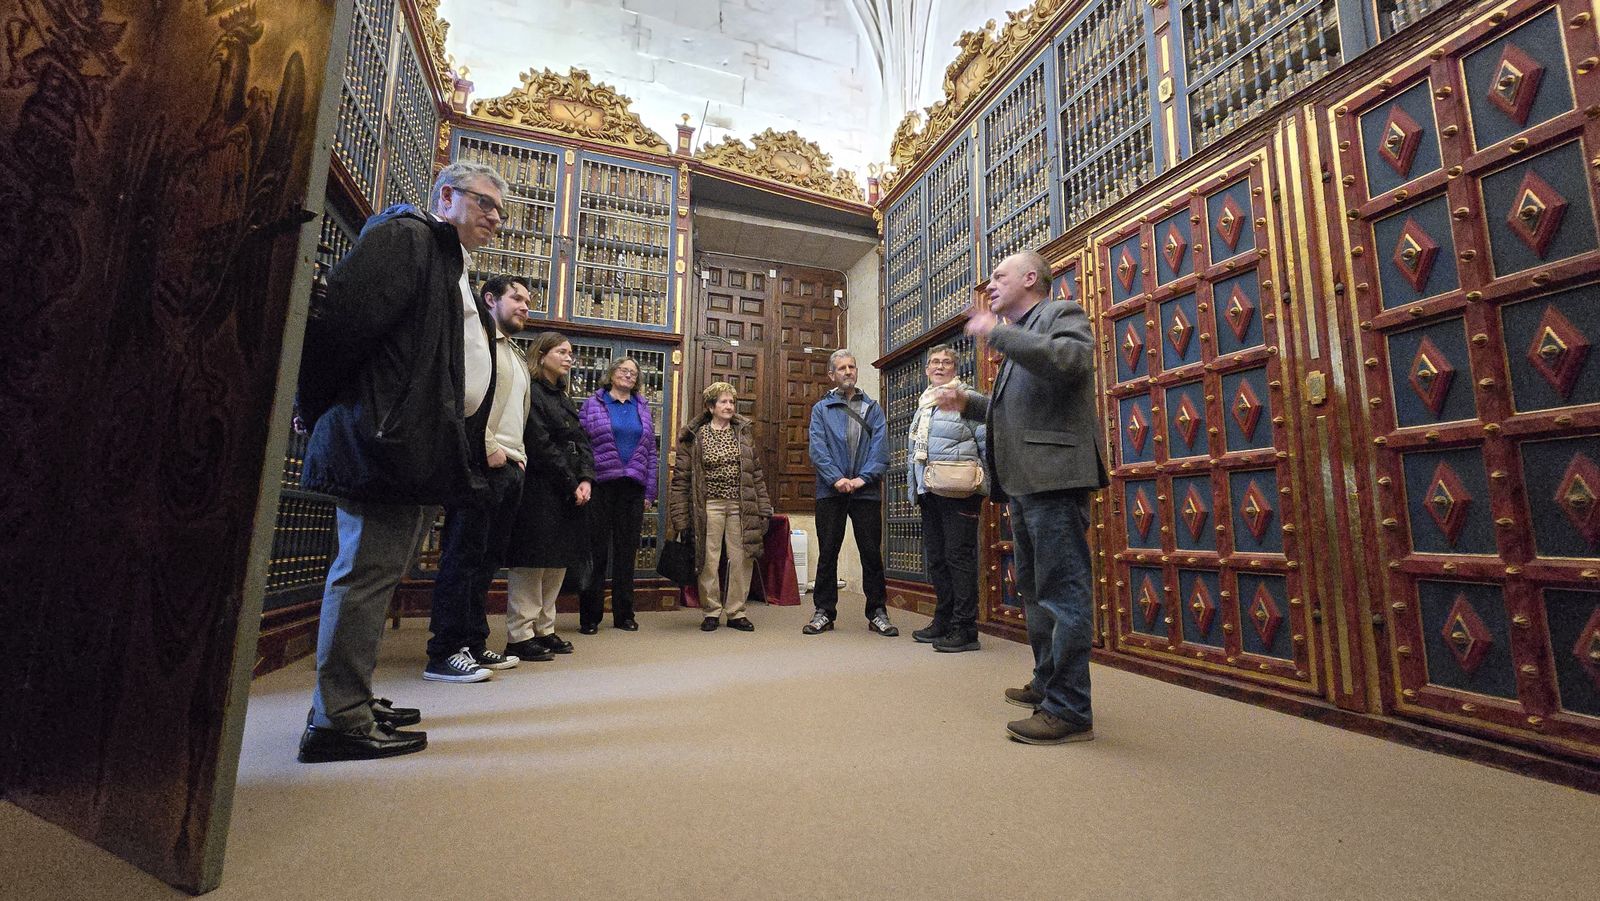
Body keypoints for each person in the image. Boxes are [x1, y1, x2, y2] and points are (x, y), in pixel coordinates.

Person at [293, 160, 508, 762]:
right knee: (363, 577)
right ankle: (338, 720)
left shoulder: (446, 259)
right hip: (382, 439)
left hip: (411, 444)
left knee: (378, 576)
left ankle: (351, 698)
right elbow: (338, 327)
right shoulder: (406, 236)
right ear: (446, 196)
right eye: (484, 203)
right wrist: (315, 409)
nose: (494, 217)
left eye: (500, 210)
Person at [938, 250, 1108, 745]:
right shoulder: (1022, 334)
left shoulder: (1058, 314)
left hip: (1055, 478)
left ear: (1031, 278)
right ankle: (1048, 684)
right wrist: (968, 401)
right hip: (1026, 483)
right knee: (1036, 592)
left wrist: (996, 331)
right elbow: (1019, 411)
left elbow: (1071, 360)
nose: (989, 285)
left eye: (999, 276)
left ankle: (1072, 710)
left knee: (1062, 593)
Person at [424, 275, 555, 682]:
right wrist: (486, 445)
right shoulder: (480, 347)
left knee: (486, 562)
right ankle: (444, 651)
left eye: (528, 300)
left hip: (511, 466)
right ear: (489, 299)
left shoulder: (514, 353)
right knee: (462, 558)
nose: (525, 305)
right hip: (483, 462)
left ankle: (473, 642)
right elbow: (465, 398)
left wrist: (519, 460)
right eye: (516, 298)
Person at [503, 332, 594, 661]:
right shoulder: (532, 391)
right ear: (542, 355)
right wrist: (571, 481)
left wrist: (586, 478)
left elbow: (581, 440)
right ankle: (519, 634)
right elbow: (540, 443)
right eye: (562, 352)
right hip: (540, 487)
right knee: (532, 561)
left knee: (556, 562)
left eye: (571, 352)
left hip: (567, 489)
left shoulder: (563, 396)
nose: (569, 358)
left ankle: (544, 627)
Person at [804, 349, 897, 637]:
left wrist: (861, 480)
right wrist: (837, 479)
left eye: (852, 367)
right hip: (831, 492)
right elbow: (818, 449)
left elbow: (880, 450)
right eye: (841, 368)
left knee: (871, 553)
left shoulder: (873, 408)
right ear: (831, 375)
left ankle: (877, 611)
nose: (848, 372)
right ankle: (824, 611)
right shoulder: (821, 409)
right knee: (828, 552)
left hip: (865, 492)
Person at [667, 382, 772, 632]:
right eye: (723, 402)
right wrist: (680, 517)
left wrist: (764, 508)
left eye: (732, 402)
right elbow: (681, 478)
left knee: (741, 558)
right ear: (710, 406)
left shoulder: (743, 433)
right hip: (708, 506)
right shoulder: (695, 436)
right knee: (708, 560)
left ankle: (736, 611)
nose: (729, 406)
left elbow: (755, 474)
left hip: (740, 505)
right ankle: (711, 610)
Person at [907, 344, 987, 653]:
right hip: (929, 490)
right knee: (938, 559)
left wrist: (984, 484)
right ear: (927, 370)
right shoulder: (924, 404)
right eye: (934, 363)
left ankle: (965, 628)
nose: (940, 367)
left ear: (955, 369)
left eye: (946, 362)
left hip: (960, 492)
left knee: (959, 558)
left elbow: (984, 444)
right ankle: (944, 620)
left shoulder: (965, 400)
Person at [576, 357, 658, 633]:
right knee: (596, 554)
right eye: (624, 371)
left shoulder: (642, 407)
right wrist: (583, 478)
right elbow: (581, 444)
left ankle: (624, 615)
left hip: (632, 489)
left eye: (634, 373)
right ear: (611, 375)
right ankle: (590, 617)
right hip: (600, 486)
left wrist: (650, 489)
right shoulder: (593, 404)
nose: (629, 376)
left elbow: (651, 453)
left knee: (626, 555)